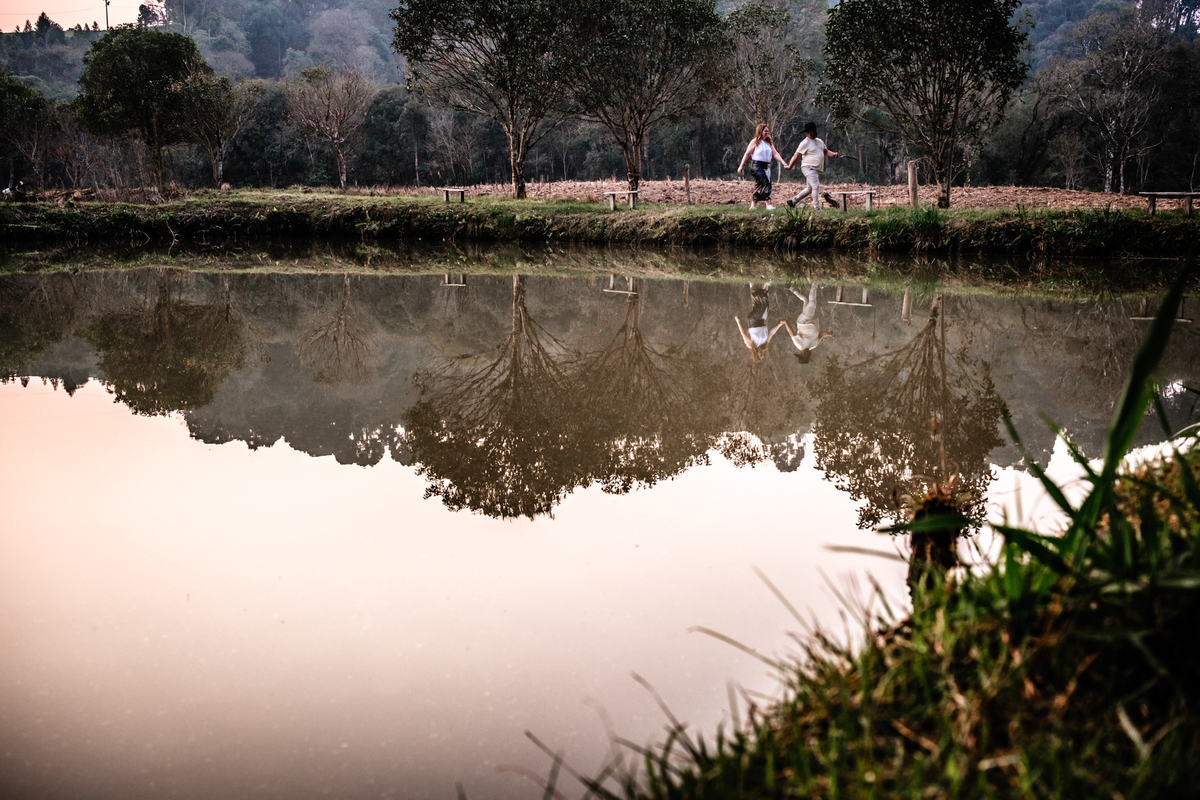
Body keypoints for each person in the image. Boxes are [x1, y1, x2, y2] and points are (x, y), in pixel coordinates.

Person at [784, 122, 838, 210]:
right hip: (808, 167)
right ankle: (817, 207)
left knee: (809, 189)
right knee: (816, 186)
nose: (814, 133)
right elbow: (796, 155)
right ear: (807, 133)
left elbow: (825, 152)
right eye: (812, 131)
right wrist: (790, 166)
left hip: (815, 169)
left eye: (815, 131)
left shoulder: (820, 141)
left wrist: (833, 154)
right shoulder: (804, 143)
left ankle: (793, 201)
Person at [736, 124, 788, 210]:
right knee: (764, 182)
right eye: (765, 131)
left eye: (768, 131)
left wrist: (783, 162)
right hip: (757, 165)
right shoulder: (755, 142)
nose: (767, 132)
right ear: (760, 131)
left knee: (762, 185)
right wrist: (741, 166)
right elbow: (747, 154)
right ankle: (767, 205)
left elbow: (775, 153)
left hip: (767, 166)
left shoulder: (770, 143)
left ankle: (754, 205)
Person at [782, 284, 832, 363]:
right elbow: (819, 335)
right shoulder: (813, 346)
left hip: (803, 322)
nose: (806, 354)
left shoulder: (800, 345)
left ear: (801, 354)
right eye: (807, 356)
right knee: (805, 300)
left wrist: (785, 322)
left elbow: (791, 333)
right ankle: (791, 287)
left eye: (804, 355)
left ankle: (814, 284)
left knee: (812, 304)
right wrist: (827, 334)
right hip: (810, 321)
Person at [735, 282, 785, 361]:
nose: (762, 354)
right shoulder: (764, 345)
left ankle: (766, 283)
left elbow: (743, 333)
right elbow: (771, 333)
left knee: (762, 306)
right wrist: (779, 325)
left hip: (754, 321)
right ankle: (753, 284)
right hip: (762, 320)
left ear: (756, 354)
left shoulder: (750, 345)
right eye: (763, 355)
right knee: (763, 304)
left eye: (760, 355)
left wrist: (738, 321)